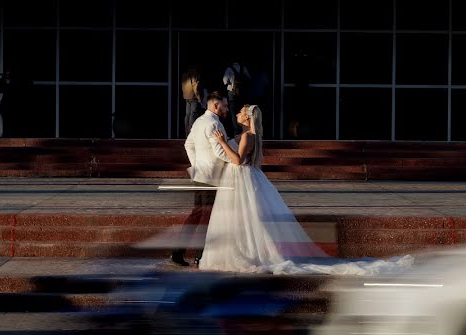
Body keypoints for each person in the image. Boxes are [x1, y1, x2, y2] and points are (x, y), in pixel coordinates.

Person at [199, 105, 412, 276]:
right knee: (247, 219)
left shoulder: (247, 137)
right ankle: (248, 250)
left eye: (241, 112)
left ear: (247, 118)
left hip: (240, 177)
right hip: (247, 178)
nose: (236, 113)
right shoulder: (249, 136)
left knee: (242, 218)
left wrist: (220, 142)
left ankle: (246, 253)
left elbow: (236, 160)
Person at [171, 91, 233, 267]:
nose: (227, 109)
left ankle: (178, 252)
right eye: (225, 105)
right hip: (211, 177)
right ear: (215, 105)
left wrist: (197, 164)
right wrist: (237, 159)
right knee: (206, 217)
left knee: (197, 214)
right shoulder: (215, 124)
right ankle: (200, 256)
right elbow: (220, 152)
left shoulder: (199, 121)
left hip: (200, 174)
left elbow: (188, 144)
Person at [222, 59, 251, 135]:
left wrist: (231, 82)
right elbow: (248, 78)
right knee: (242, 111)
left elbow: (225, 81)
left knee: (233, 112)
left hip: (232, 92)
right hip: (242, 93)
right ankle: (243, 128)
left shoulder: (229, 69)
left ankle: (236, 131)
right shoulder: (243, 68)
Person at [181, 67, 204, 136]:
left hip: (186, 96)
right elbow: (195, 87)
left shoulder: (185, 75)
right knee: (192, 114)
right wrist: (199, 98)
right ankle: (190, 131)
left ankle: (186, 131)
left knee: (187, 114)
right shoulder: (194, 75)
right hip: (193, 96)